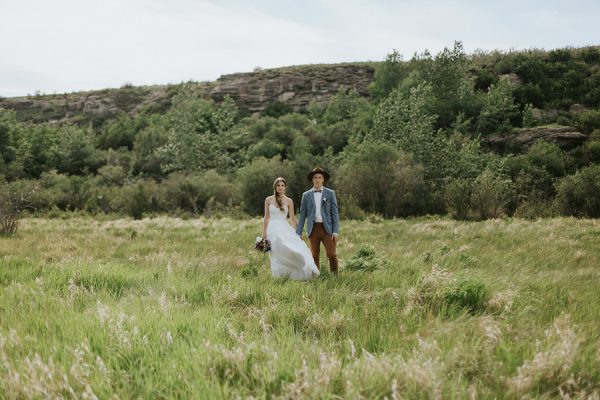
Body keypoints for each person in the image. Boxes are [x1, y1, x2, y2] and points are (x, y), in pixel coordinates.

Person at [262, 177, 320, 280]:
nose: (280, 187)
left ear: (285, 187)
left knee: (290, 248)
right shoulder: (268, 199)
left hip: (284, 227)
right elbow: (266, 217)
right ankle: (279, 276)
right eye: (278, 185)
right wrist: (264, 234)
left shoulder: (289, 201)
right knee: (276, 253)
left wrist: (298, 233)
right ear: (275, 187)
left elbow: (292, 219)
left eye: (282, 185)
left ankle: (300, 270)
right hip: (272, 229)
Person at [296, 167, 339, 275]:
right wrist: (298, 232)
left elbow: (335, 213)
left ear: (323, 179)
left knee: (332, 254)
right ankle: (316, 276)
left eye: (320, 177)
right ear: (312, 179)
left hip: (327, 229)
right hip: (313, 229)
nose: (318, 179)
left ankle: (335, 276)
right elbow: (302, 215)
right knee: (314, 255)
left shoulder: (330, 193)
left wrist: (335, 231)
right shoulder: (306, 195)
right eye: (315, 177)